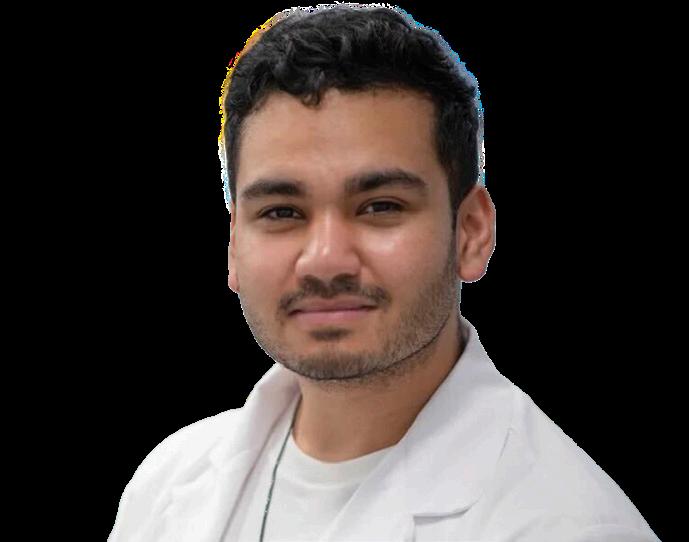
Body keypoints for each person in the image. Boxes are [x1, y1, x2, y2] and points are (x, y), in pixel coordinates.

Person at [108, 4, 661, 541]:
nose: (325, 260)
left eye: (380, 206)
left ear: (471, 232)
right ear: (234, 245)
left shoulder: (569, 527)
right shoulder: (166, 487)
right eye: (282, 212)